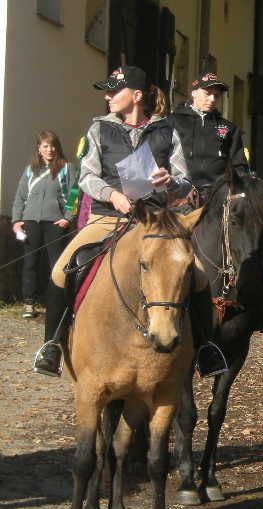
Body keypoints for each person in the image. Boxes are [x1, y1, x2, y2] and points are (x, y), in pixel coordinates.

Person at [33, 65, 195, 377]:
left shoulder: (167, 132)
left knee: (198, 276)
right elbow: (87, 176)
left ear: (136, 96)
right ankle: (52, 346)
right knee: (60, 270)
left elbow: (185, 182)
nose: (107, 97)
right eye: (106, 91)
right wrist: (112, 195)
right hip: (107, 218)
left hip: (155, 223)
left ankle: (204, 350)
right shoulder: (98, 130)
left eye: (113, 91)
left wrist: (171, 182)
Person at [12, 131, 77, 319]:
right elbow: (20, 197)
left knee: (56, 265)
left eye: (53, 145)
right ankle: (29, 303)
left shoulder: (67, 168)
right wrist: (17, 221)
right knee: (30, 264)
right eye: (46, 146)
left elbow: (74, 194)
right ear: (39, 149)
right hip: (31, 221)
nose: (50, 149)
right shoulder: (30, 170)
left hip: (55, 223)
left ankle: (56, 303)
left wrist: (68, 217)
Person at [168, 72, 249, 206]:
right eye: (207, 93)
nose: (212, 99)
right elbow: (159, 159)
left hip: (218, 199)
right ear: (194, 92)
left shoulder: (229, 129)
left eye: (216, 96)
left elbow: (240, 167)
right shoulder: (172, 122)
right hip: (181, 197)